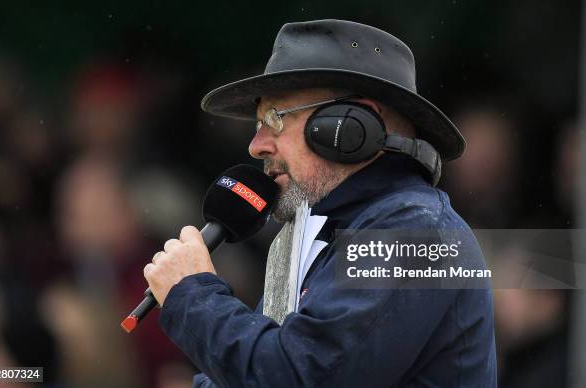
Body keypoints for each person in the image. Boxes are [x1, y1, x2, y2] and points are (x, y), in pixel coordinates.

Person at [143, 19, 497, 387]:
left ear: (350, 125)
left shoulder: (417, 234)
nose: (256, 145)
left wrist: (193, 294)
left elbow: (299, 377)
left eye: (275, 118)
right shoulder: (317, 235)